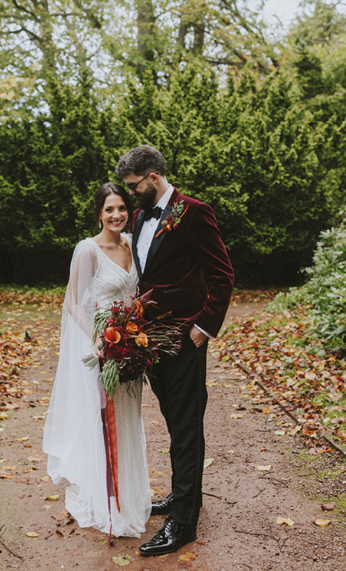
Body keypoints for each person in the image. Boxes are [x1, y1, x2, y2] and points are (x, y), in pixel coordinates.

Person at [115, 144, 235, 557]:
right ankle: (186, 495)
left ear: (153, 177)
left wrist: (203, 327)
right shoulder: (141, 215)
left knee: (186, 427)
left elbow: (222, 275)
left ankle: (183, 522)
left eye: (134, 187)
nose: (131, 194)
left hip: (185, 338)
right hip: (151, 339)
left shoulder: (195, 212)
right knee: (173, 419)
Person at [43, 182, 151, 537]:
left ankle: (131, 495)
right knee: (106, 418)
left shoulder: (134, 243)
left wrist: (136, 336)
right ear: (99, 214)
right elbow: (73, 301)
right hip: (103, 347)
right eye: (109, 210)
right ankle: (108, 501)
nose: (117, 215)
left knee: (129, 417)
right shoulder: (88, 250)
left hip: (131, 345)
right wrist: (98, 338)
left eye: (121, 207)